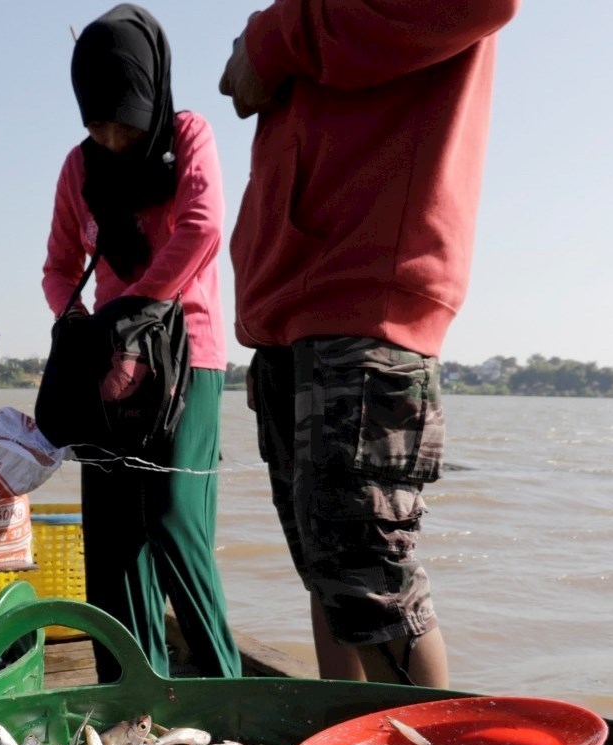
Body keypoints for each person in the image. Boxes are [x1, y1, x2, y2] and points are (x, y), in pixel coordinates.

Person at [219, 1, 517, 686]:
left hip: (363, 298)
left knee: (371, 594)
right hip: (296, 308)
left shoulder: (295, 25)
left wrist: (271, 41)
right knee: (331, 581)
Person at [43, 4, 241, 680]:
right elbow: (58, 270)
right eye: (96, 121)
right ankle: (134, 695)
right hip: (110, 371)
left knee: (175, 522)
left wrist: (137, 308)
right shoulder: (79, 168)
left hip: (190, 360)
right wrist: (82, 331)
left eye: (122, 118)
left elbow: (202, 228)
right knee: (113, 540)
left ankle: (225, 686)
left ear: (150, 94)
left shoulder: (189, 135)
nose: (112, 136)